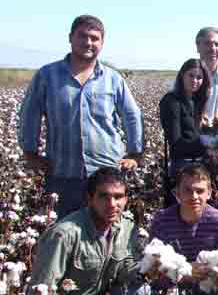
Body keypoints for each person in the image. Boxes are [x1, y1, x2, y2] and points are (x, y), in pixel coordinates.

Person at [18, 15, 144, 219]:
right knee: (65, 231)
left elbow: (132, 115)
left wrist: (135, 153)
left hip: (107, 172)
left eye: (95, 38)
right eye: (82, 36)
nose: (88, 42)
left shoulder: (113, 79)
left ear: (102, 43)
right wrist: (29, 152)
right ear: (71, 38)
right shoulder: (47, 75)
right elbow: (30, 114)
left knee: (107, 232)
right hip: (63, 172)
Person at [28, 167, 141, 295]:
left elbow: (124, 272)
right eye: (104, 196)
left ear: (126, 199)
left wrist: (149, 267)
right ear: (89, 199)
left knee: (143, 291)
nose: (112, 204)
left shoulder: (126, 225)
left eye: (118, 196)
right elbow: (41, 294)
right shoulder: (64, 235)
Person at [149, 163, 218, 295]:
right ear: (177, 193)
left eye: (199, 191)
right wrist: (184, 271)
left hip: (209, 289)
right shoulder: (161, 221)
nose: (194, 196)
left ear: (209, 193)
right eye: (188, 190)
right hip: (170, 292)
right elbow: (152, 268)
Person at [159, 58, 212, 206]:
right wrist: (207, 146)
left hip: (199, 165)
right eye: (191, 75)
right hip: (182, 167)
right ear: (182, 75)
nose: (195, 80)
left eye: (199, 77)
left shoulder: (195, 101)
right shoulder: (171, 102)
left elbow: (191, 133)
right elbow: (176, 143)